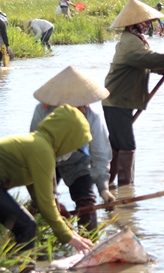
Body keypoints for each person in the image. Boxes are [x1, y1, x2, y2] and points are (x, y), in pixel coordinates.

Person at [0, 105, 94, 253]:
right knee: (26, 226)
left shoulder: (35, 142)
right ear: (66, 138)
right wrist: (67, 237)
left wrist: (70, 232)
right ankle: (26, 268)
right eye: (74, 147)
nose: (71, 152)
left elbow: (41, 198)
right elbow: (46, 204)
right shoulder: (42, 151)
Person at [102, 0, 164, 186]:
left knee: (117, 146)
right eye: (144, 22)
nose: (148, 25)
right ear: (135, 24)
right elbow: (145, 59)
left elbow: (140, 64)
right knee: (126, 146)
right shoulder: (131, 41)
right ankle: (126, 190)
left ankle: (108, 186)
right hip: (117, 101)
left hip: (121, 100)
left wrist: (162, 69)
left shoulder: (136, 39)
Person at [29, 66, 115, 231]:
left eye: (79, 106)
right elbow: (35, 147)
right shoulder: (42, 111)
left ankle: (89, 245)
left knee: (87, 202)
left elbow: (100, 155)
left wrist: (104, 189)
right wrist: (50, 197)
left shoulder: (92, 116)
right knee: (41, 203)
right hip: (47, 161)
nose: (77, 110)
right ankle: (26, 242)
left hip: (77, 160)